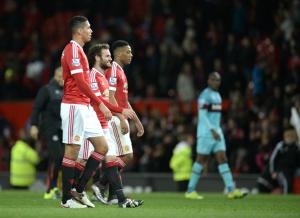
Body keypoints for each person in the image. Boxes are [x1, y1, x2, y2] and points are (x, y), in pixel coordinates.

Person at [59, 16, 135, 209]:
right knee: (72, 150)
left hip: (84, 105)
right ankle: (66, 199)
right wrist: (99, 103)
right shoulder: (73, 50)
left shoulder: (80, 51)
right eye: (88, 28)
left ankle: (79, 189)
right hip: (74, 105)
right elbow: (80, 82)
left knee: (102, 147)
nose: (91, 31)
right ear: (79, 30)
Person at [77, 43, 142, 208]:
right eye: (107, 56)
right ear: (98, 58)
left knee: (111, 159)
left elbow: (117, 101)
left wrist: (134, 118)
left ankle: (117, 197)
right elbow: (101, 102)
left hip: (104, 124)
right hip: (95, 124)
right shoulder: (103, 73)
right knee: (81, 160)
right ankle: (72, 192)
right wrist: (120, 116)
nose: (110, 59)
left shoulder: (105, 76)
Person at [185, 72, 247, 199]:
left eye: (218, 80)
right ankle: (190, 191)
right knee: (201, 160)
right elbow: (202, 115)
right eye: (213, 80)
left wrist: (217, 129)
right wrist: (212, 130)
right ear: (208, 81)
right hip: (206, 133)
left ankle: (231, 190)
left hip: (217, 132)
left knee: (223, 159)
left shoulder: (218, 95)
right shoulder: (204, 95)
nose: (216, 82)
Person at [98, 40, 144, 204]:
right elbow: (110, 97)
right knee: (125, 156)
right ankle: (101, 184)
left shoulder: (120, 71)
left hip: (120, 116)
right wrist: (120, 118)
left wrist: (137, 121)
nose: (131, 55)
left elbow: (124, 100)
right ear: (118, 54)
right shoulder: (112, 71)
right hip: (114, 118)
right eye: (128, 52)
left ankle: (111, 195)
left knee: (121, 156)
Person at [30, 66, 64, 199]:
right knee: (57, 157)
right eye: (60, 77)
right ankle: (50, 188)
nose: (62, 79)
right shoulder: (47, 90)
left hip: (63, 130)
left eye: (64, 77)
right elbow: (36, 108)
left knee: (57, 159)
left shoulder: (67, 91)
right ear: (55, 76)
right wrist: (34, 125)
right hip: (50, 129)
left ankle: (54, 188)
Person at [257, 126, 300, 194]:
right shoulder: (281, 145)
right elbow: (273, 159)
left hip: (291, 171)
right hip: (281, 170)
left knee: (289, 182)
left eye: (291, 135)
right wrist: (273, 171)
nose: (289, 137)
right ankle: (287, 198)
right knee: (287, 182)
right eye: (288, 135)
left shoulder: (296, 147)